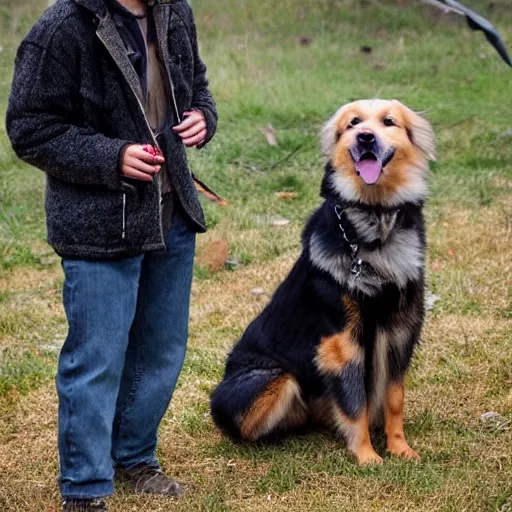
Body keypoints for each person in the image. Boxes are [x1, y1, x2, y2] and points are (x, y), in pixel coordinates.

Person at [6, 0, 217, 510]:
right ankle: (84, 487)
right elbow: (29, 128)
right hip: (98, 225)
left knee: (161, 352)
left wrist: (202, 118)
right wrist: (111, 156)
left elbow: (198, 86)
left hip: (171, 212)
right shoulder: (60, 29)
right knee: (96, 359)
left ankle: (134, 457)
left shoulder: (175, 11)